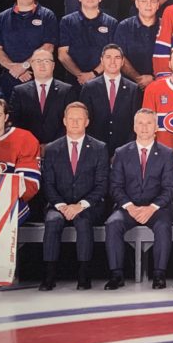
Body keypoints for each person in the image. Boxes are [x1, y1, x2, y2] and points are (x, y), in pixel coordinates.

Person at [104, 108, 173, 290]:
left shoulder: (167, 153)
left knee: (163, 226)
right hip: (128, 208)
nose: (144, 128)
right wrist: (130, 207)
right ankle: (116, 275)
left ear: (156, 127)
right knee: (113, 224)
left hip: (158, 208)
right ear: (134, 127)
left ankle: (159, 275)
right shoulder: (121, 153)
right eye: (140, 123)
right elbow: (115, 186)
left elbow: (170, 188)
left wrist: (151, 208)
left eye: (149, 123)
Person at [38, 102, 108, 291]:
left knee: (83, 221)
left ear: (87, 122)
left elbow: (101, 185)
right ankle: (49, 276)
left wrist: (81, 205)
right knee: (52, 222)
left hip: (88, 205)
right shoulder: (52, 148)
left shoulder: (99, 148)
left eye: (79, 119)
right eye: (71, 119)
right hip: (58, 204)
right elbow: (48, 184)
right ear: (64, 121)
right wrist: (61, 205)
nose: (75, 122)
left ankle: (84, 275)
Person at [0, 0, 59, 97]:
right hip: (9, 78)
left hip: (37, 78)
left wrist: (24, 66)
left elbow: (48, 47)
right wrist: (13, 68)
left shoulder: (47, 16)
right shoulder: (2, 18)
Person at [78, 44, 142, 156]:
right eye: (108, 57)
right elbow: (84, 121)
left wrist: (124, 151)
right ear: (102, 61)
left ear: (122, 62)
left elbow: (136, 123)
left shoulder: (133, 89)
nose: (113, 61)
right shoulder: (89, 88)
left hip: (124, 152)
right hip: (95, 151)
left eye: (117, 58)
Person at [9, 48, 77, 146]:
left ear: (53, 66)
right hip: (27, 147)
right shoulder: (19, 92)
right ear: (32, 65)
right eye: (38, 61)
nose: (42, 65)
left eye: (46, 61)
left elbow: (71, 121)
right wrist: (32, 145)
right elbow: (15, 122)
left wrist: (51, 146)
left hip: (59, 147)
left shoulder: (67, 90)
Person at [57, 0, 119, 85]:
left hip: (102, 82)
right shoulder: (67, 21)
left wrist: (93, 74)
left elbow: (113, 54)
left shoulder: (112, 23)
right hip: (75, 81)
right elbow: (62, 54)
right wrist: (80, 76)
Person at [114, 0, 160, 89]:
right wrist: (138, 79)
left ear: (158, 5)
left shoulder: (166, 26)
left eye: (153, 1)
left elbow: (172, 56)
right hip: (130, 86)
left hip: (160, 84)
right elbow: (119, 56)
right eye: (144, 1)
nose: (148, 5)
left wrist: (154, 78)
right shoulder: (124, 26)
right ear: (137, 4)